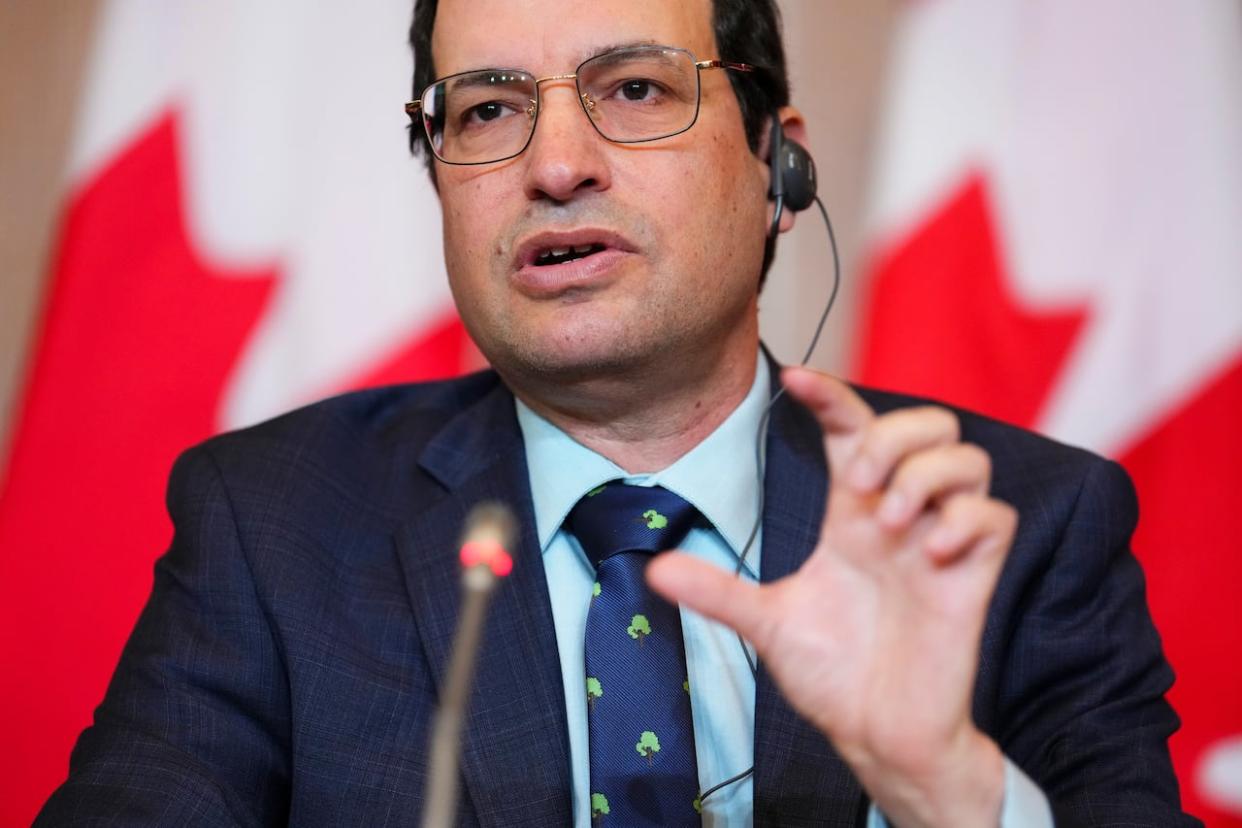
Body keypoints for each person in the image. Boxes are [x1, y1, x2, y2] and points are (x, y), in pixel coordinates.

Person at [38, 0, 1196, 825]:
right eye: (488, 110)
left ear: (776, 172)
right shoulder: (278, 522)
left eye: (634, 88)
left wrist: (945, 789)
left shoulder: (1011, 527)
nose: (555, 166)